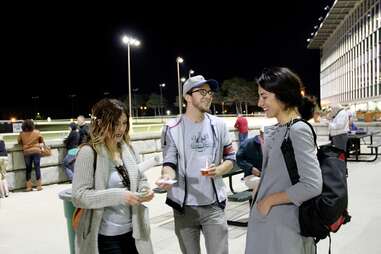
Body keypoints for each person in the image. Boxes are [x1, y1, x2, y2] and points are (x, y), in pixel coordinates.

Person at [245, 67, 322, 254]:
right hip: (273, 226)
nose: (259, 102)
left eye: (264, 96)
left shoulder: (297, 130)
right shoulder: (282, 129)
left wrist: (268, 201)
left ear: (282, 94)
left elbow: (312, 185)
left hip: (284, 230)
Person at [156, 75, 235, 254]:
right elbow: (169, 162)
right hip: (184, 208)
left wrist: (219, 170)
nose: (208, 96)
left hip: (213, 205)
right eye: (202, 91)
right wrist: (167, 176)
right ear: (187, 97)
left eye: (209, 92)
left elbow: (231, 157)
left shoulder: (219, 125)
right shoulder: (172, 127)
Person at [72, 98, 154, 254]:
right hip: (105, 238)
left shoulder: (129, 149)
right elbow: (79, 196)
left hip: (135, 233)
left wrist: (145, 190)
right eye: (115, 123)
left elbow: (140, 178)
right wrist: (120, 195)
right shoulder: (89, 153)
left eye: (124, 123)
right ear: (101, 123)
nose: (121, 129)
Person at [17, 119, 44, 191]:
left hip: (27, 152)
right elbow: (41, 140)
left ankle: (28, 187)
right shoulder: (37, 132)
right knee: (37, 167)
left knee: (28, 169)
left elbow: (19, 142)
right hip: (36, 151)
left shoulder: (21, 133)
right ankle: (39, 186)